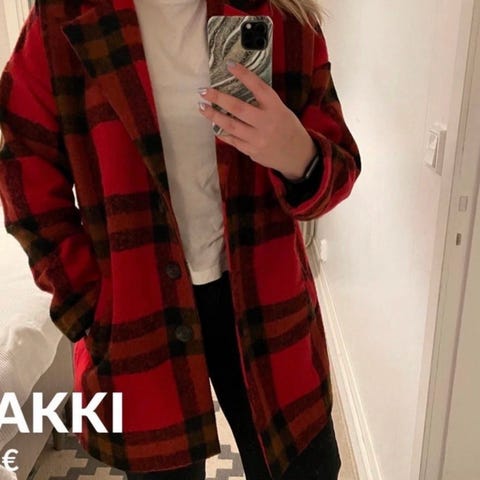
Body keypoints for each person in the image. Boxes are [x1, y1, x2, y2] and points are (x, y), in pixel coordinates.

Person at [0, 0, 361, 478]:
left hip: (267, 302)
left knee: (306, 468)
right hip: (137, 307)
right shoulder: (64, 17)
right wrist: (87, 299)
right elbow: (24, 166)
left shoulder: (283, 16)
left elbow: (339, 168)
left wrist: (299, 155)